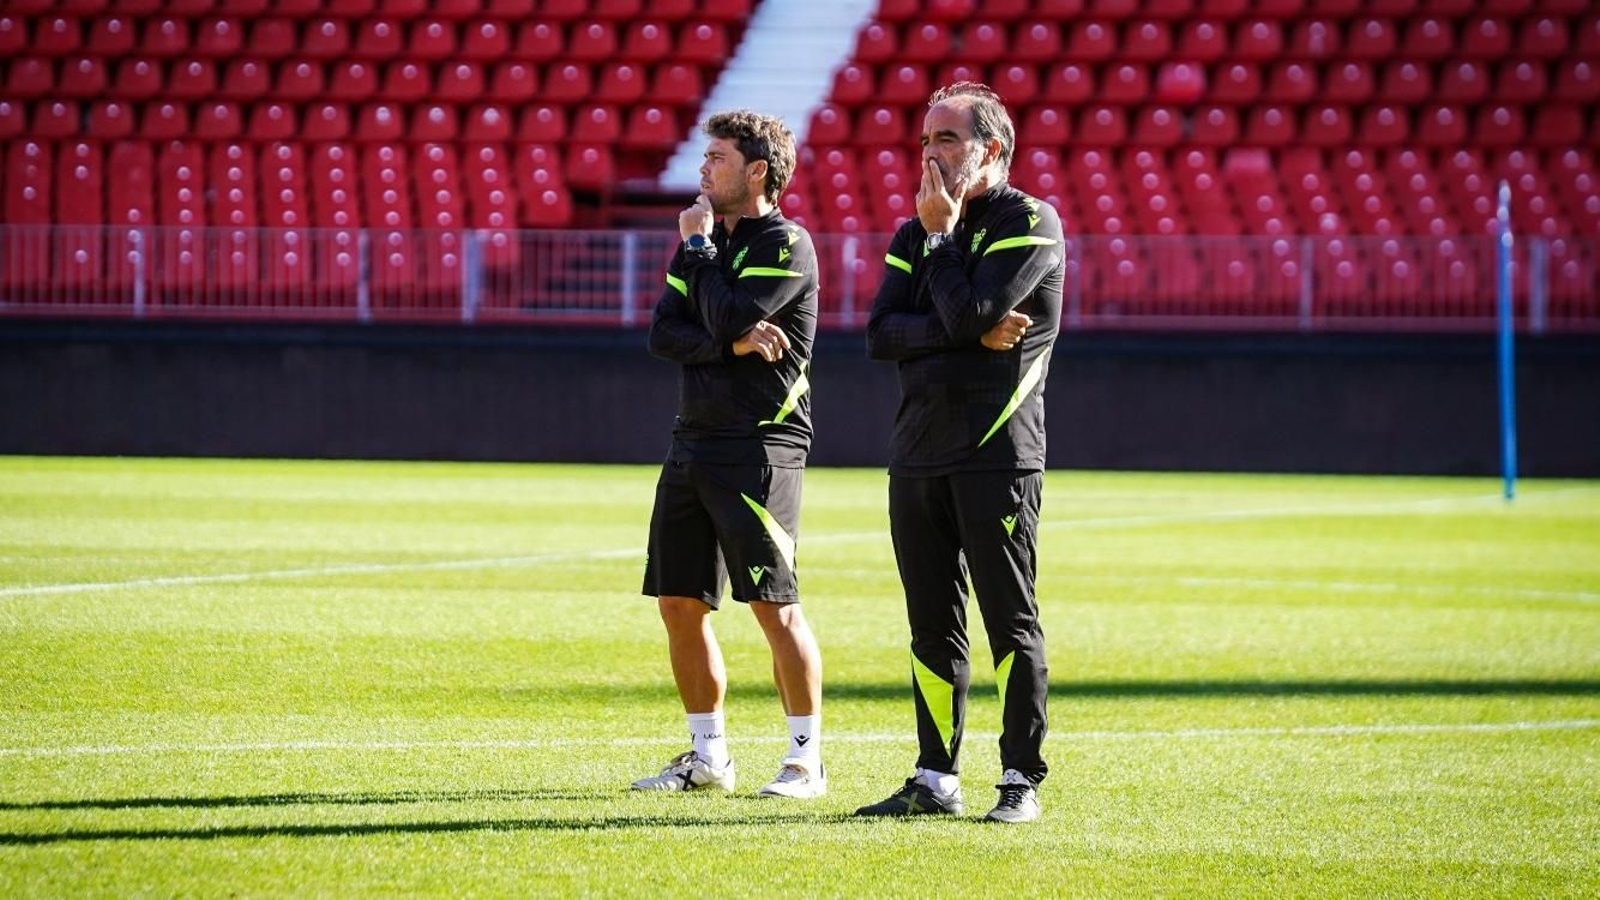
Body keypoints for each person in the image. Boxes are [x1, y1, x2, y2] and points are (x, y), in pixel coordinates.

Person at [856, 83, 1064, 824]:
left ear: (992, 149)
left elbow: (975, 310)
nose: (931, 155)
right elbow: (881, 334)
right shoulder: (915, 231)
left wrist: (946, 258)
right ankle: (935, 776)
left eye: (946, 139)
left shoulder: (1029, 220)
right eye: (924, 142)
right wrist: (963, 327)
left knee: (1010, 620)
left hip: (996, 455)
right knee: (930, 625)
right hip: (916, 454)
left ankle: (1019, 778)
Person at [632, 110, 826, 800]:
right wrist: (728, 339)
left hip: (760, 445)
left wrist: (703, 262)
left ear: (757, 172)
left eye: (716, 158)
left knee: (774, 606)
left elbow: (734, 316)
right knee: (680, 603)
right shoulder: (704, 246)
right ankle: (707, 756)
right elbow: (664, 334)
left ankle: (806, 760)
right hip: (693, 440)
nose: (703, 169)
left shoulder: (787, 244)